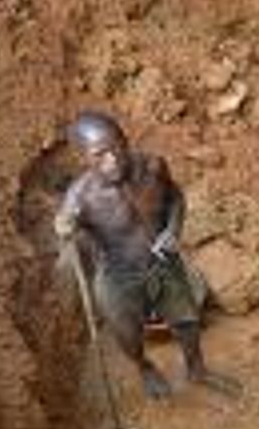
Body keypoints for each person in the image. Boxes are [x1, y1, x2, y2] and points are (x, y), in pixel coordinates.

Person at [54, 110, 236, 398]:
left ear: (125, 140)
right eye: (99, 154)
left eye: (118, 147)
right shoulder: (81, 197)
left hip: (162, 261)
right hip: (118, 276)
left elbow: (176, 198)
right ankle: (145, 368)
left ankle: (197, 369)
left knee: (187, 320)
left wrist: (173, 230)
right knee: (127, 333)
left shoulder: (153, 167)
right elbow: (65, 229)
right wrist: (66, 228)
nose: (113, 159)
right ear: (83, 159)